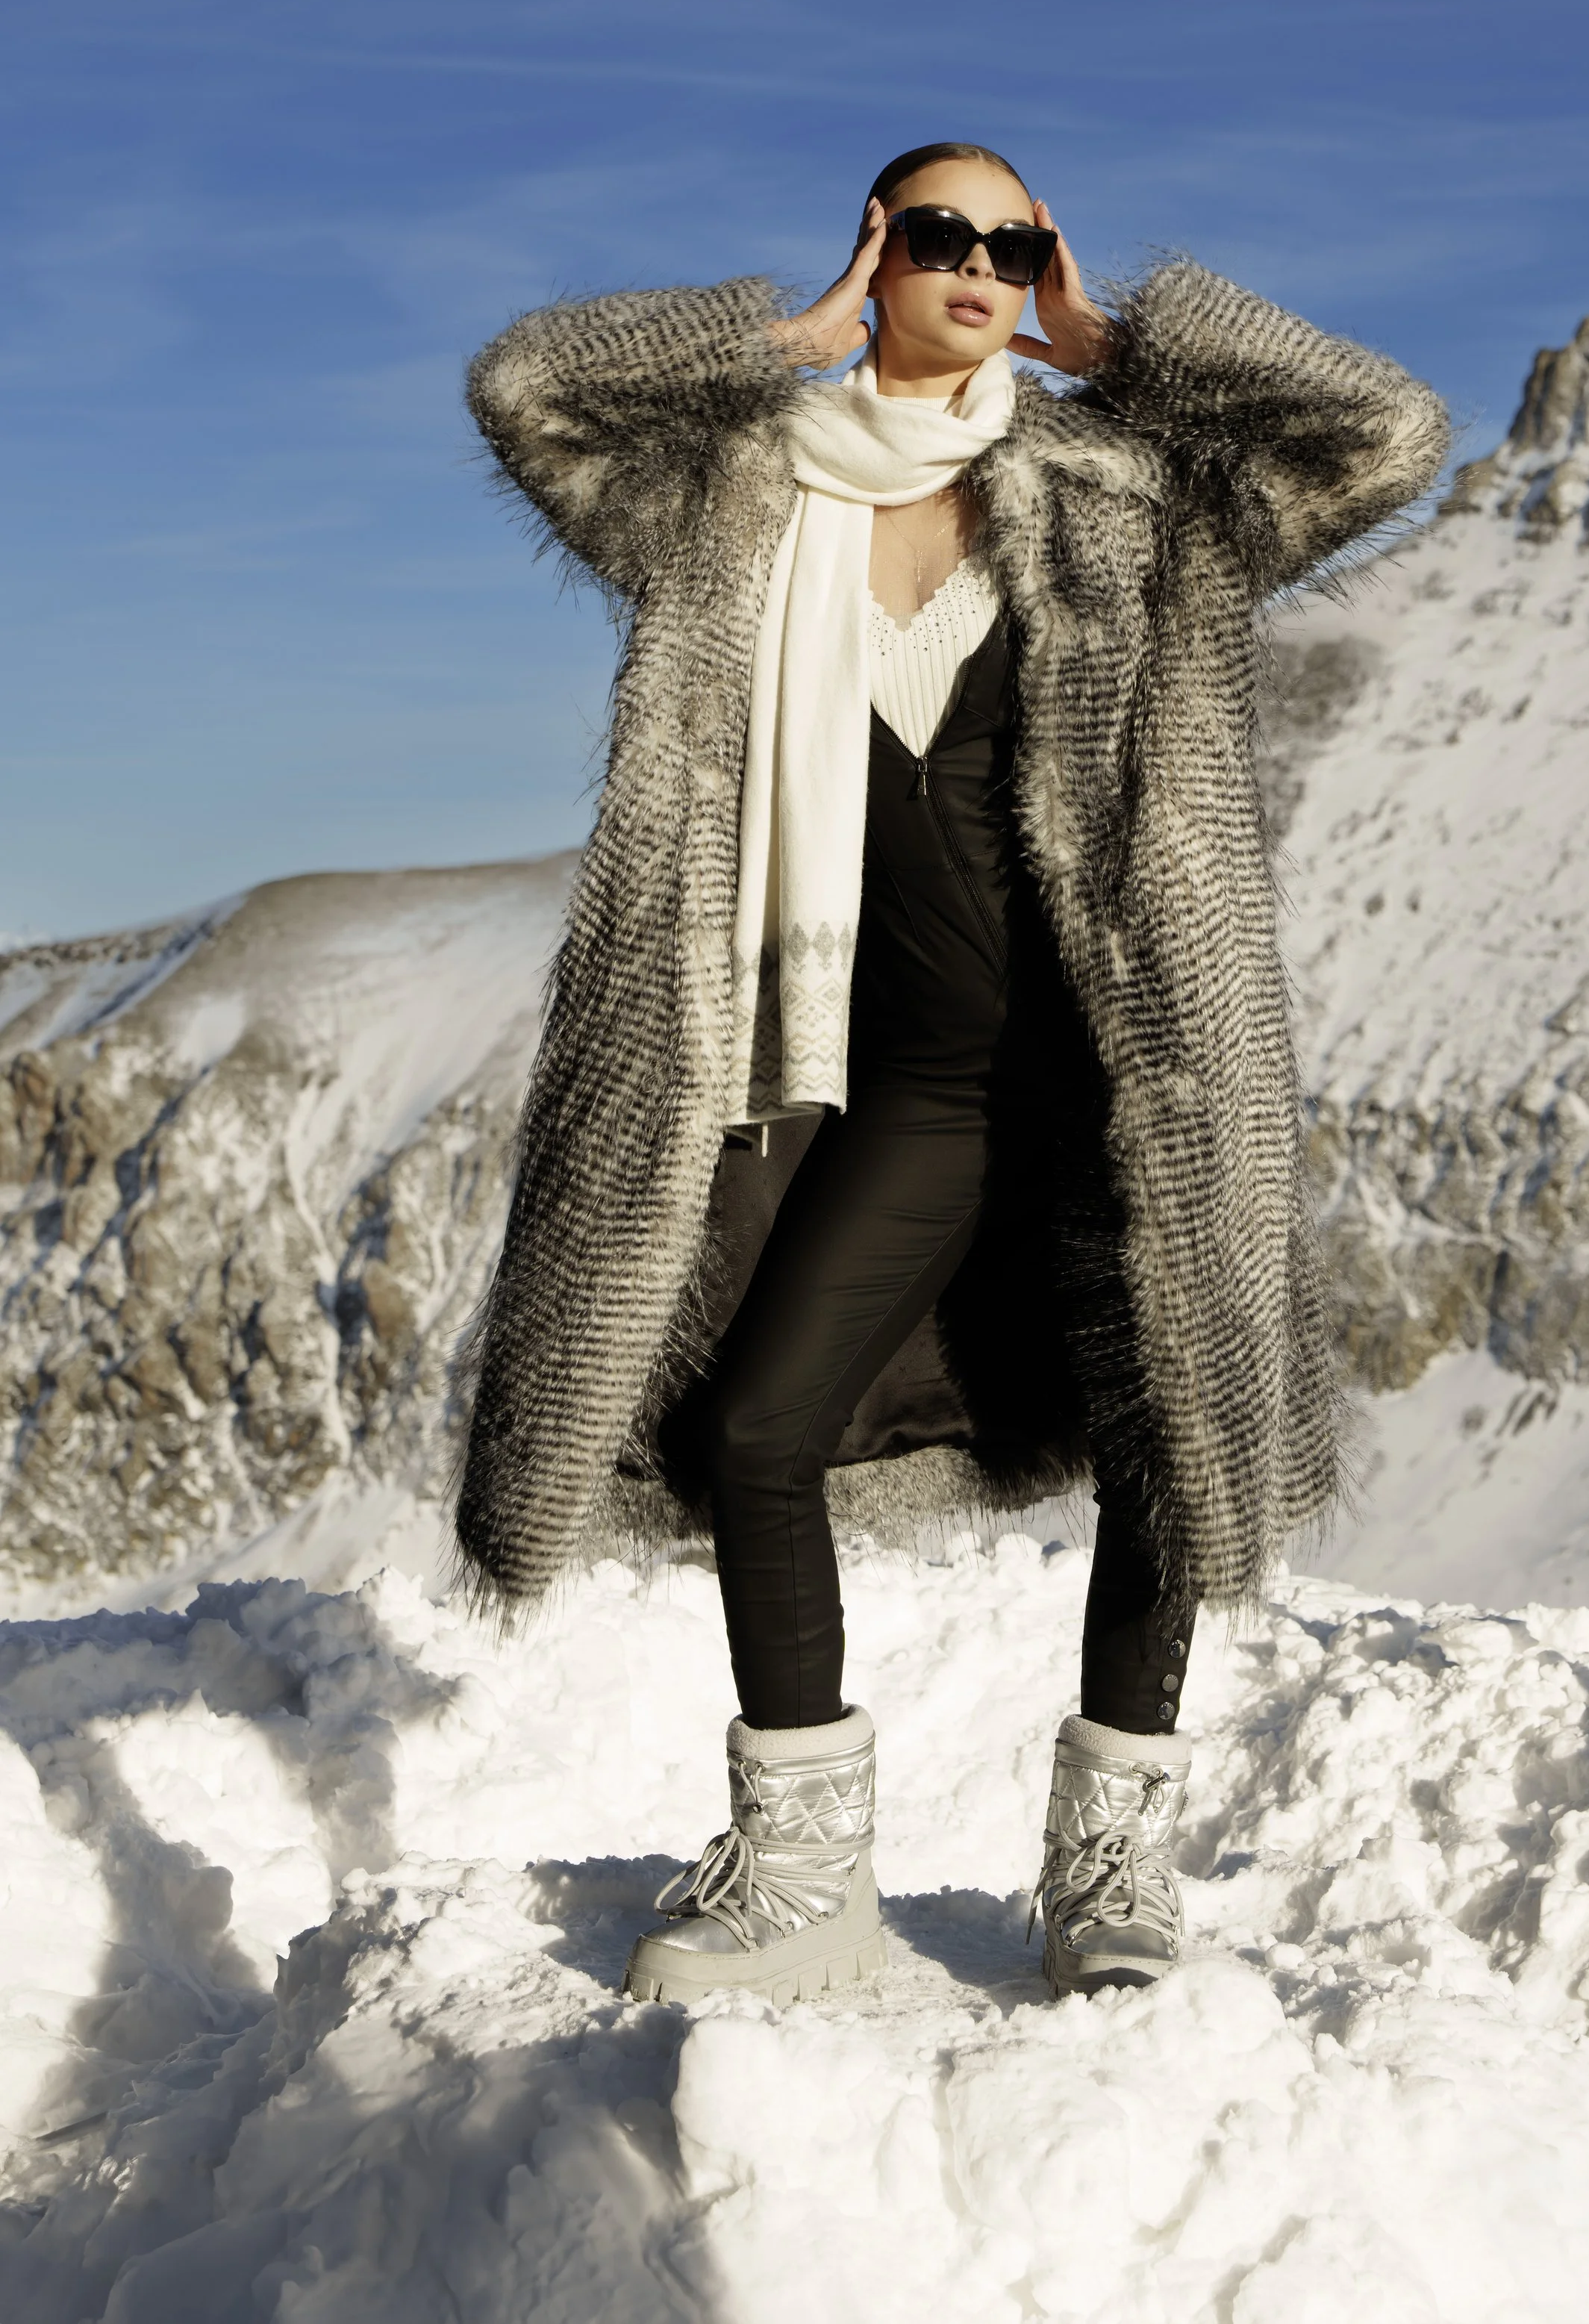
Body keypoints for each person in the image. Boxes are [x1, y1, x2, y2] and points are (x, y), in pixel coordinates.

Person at [455, 143, 1446, 2004]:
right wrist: (779, 340)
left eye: (1013, 241)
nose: (977, 264)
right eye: (938, 236)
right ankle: (805, 1877)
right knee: (753, 1434)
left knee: (1165, 1440)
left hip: (1121, 1082)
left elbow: (1385, 434)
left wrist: (1119, 343)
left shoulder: (1132, 498)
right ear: (876, 255)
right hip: (904, 1088)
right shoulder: (732, 498)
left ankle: (1108, 1872)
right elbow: (530, 391)